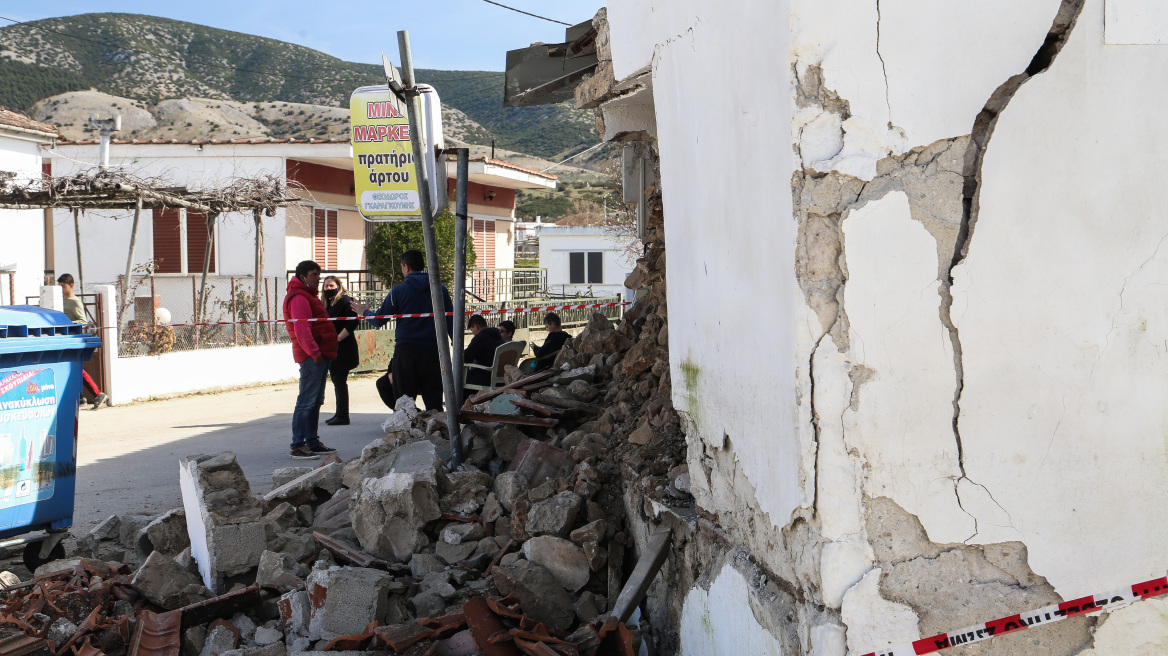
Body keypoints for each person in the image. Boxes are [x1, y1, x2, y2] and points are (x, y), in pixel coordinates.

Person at [365, 249, 453, 411]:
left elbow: (378, 321)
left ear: (406, 267)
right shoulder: (441, 290)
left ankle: (409, 432)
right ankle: (438, 432)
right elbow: (451, 320)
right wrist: (454, 343)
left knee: (404, 401)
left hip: (406, 351)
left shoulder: (398, 291)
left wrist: (364, 312)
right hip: (434, 350)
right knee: (434, 400)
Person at [283, 260, 338, 459]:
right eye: (315, 274)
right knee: (306, 401)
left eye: (319, 274)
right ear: (303, 276)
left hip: (318, 356)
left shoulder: (307, 296)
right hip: (311, 357)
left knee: (315, 400)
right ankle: (297, 445)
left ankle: (311, 442)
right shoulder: (299, 298)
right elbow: (302, 330)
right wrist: (315, 353)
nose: (319, 278)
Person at [58, 274, 107, 409]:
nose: (61, 289)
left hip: (74, 339)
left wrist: (67, 324)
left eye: (63, 286)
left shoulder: (74, 302)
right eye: (60, 286)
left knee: (77, 369)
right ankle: (81, 397)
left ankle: (97, 394)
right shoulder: (60, 301)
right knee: (69, 369)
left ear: (71, 286)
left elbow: (83, 321)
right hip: (64, 340)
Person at [322, 276, 361, 426]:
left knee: (339, 381)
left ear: (338, 285)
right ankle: (340, 413)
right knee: (337, 381)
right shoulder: (329, 303)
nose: (329, 288)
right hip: (334, 346)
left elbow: (352, 322)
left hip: (343, 348)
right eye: (326, 286)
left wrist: (338, 338)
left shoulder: (345, 301)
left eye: (331, 285)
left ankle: (343, 415)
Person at [463, 314, 506, 397]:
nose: (473, 334)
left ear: (475, 326)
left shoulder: (480, 337)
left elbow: (465, 357)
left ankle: (462, 408)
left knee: (460, 380)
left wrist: (473, 359)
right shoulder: (498, 336)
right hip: (501, 377)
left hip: (485, 377)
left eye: (472, 330)